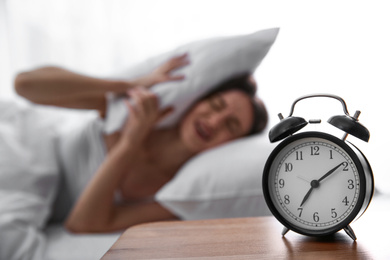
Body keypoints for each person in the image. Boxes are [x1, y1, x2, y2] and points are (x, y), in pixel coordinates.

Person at [14, 54, 268, 233]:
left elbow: (80, 224)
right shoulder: (134, 110)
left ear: (233, 146)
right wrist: (129, 85)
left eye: (231, 126)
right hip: (24, 149)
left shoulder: (177, 194)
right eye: (215, 105)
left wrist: (130, 143)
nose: (214, 121)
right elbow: (25, 85)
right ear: (199, 100)